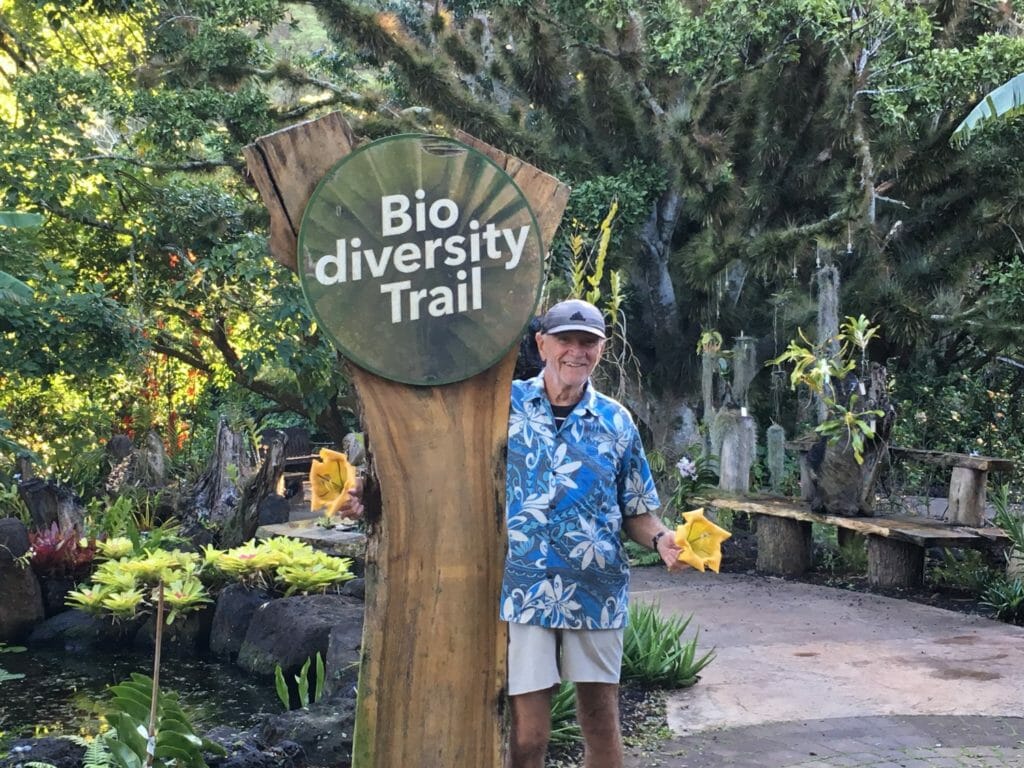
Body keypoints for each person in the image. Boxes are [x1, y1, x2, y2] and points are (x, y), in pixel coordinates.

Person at [503, 298, 684, 768]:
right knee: (529, 736)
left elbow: (637, 510)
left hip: (596, 591)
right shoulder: (506, 406)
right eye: (565, 340)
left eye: (588, 342)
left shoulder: (616, 421)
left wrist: (662, 540)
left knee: (601, 729)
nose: (576, 352)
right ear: (542, 343)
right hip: (526, 589)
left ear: (602, 349)